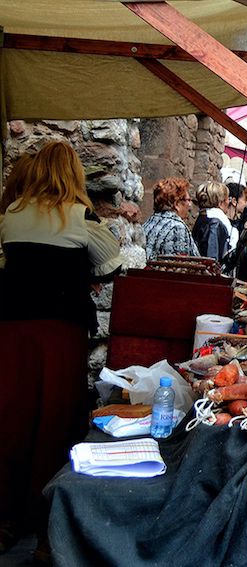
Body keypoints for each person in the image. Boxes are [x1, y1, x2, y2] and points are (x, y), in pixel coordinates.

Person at [0, 141, 122, 561]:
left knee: (12, 418)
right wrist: (79, 271)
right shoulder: (79, 216)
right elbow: (111, 263)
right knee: (54, 420)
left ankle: (6, 516)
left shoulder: (12, 215)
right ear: (73, 173)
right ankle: (46, 528)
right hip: (59, 331)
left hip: (12, 330)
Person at [142, 177, 200, 261]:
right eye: (188, 200)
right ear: (176, 204)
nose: (190, 205)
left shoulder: (150, 222)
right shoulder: (177, 228)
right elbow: (180, 265)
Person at [192, 181, 234, 263]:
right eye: (227, 199)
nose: (229, 202)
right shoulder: (215, 224)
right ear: (220, 203)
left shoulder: (203, 217)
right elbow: (211, 259)